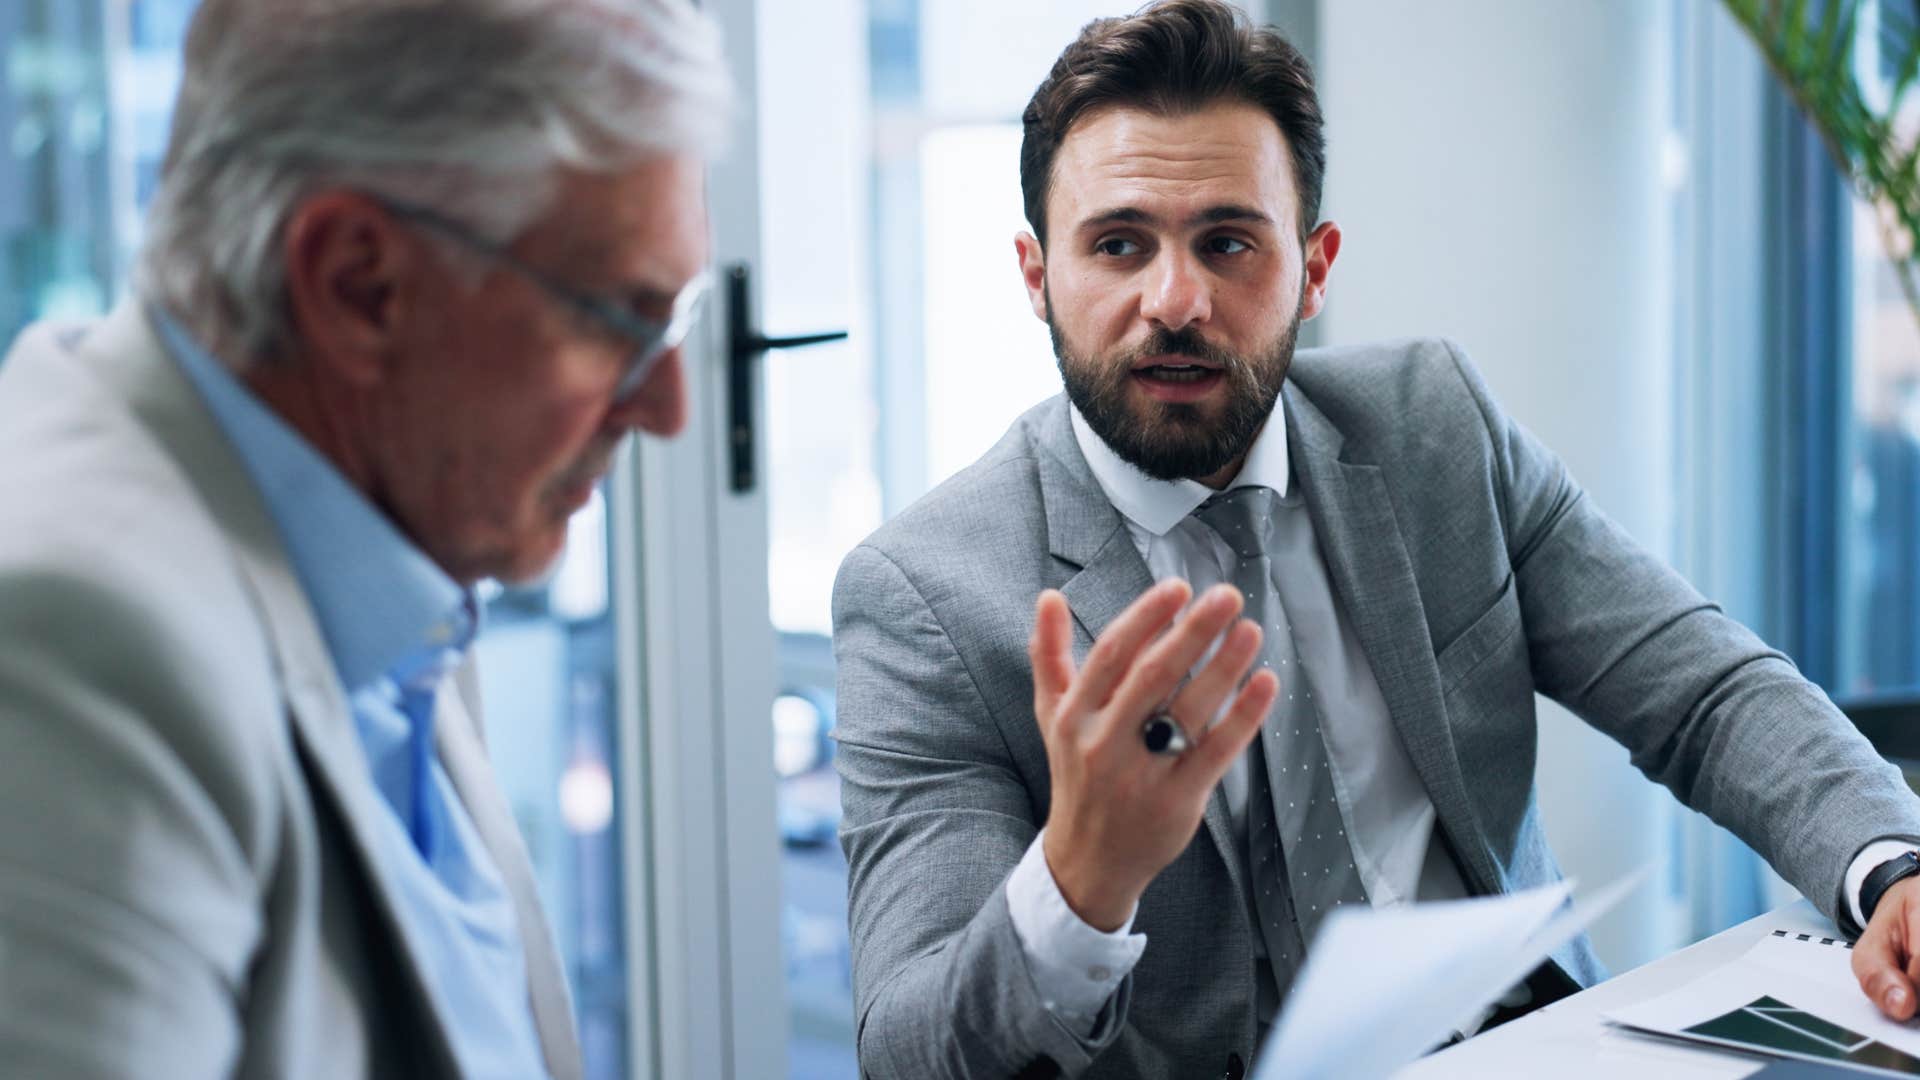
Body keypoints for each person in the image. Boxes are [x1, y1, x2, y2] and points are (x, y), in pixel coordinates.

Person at [830, 2, 1920, 1077]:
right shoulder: (928, 594)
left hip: (1531, 1049)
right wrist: (1078, 883)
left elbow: (1702, 693)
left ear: (1314, 268)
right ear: (1037, 276)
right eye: (1119, 245)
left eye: (1227, 242)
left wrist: (1890, 869)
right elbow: (912, 1048)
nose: (1174, 300)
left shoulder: (1432, 426)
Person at [0, 1, 728, 1077]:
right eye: (619, 317)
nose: (667, 406)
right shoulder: (78, 644)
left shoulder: (382, 535)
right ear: (359, 286)